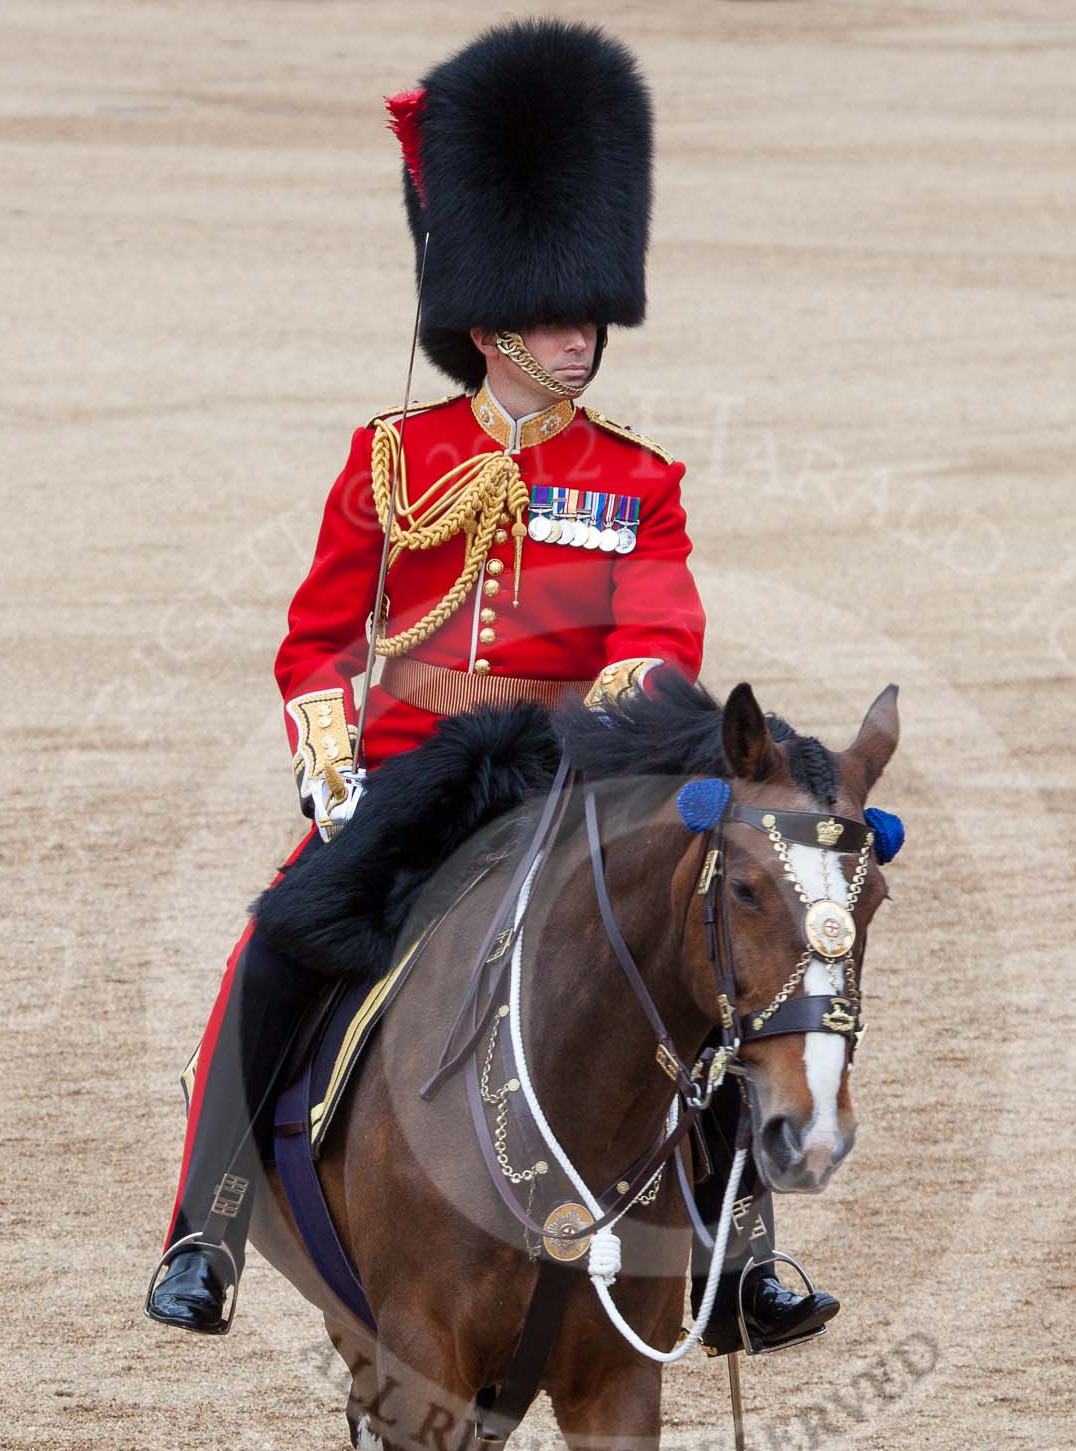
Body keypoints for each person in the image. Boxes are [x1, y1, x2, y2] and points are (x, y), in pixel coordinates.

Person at [145, 19, 836, 1354]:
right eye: (549, 321)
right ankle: (207, 1225)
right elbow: (317, 635)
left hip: (562, 773)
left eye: (587, 321)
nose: (576, 343)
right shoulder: (392, 458)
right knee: (274, 946)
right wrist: (330, 747)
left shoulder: (637, 482)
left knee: (706, 964)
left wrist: (617, 717)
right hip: (410, 766)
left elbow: (658, 625)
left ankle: (745, 1255)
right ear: (484, 326)